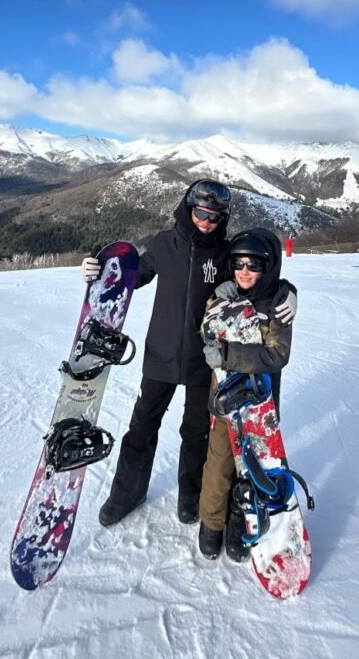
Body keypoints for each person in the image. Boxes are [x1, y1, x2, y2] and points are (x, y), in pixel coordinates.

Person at [80, 180, 298, 528]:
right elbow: (132, 277)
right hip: (160, 355)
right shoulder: (164, 245)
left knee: (195, 432)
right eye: (200, 213)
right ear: (187, 208)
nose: (206, 222)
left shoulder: (224, 255)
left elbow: (256, 278)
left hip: (204, 360)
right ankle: (127, 493)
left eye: (214, 217)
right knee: (141, 428)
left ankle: (190, 496)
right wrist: (99, 268)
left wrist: (288, 291)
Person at [197, 229, 295, 561]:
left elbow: (277, 355)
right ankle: (211, 523)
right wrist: (218, 307)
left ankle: (242, 520)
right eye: (238, 263)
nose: (244, 271)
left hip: (259, 394)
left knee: (255, 461)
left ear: (267, 266)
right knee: (221, 456)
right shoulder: (225, 294)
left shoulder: (278, 303)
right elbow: (207, 331)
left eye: (253, 264)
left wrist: (226, 354)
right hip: (225, 389)